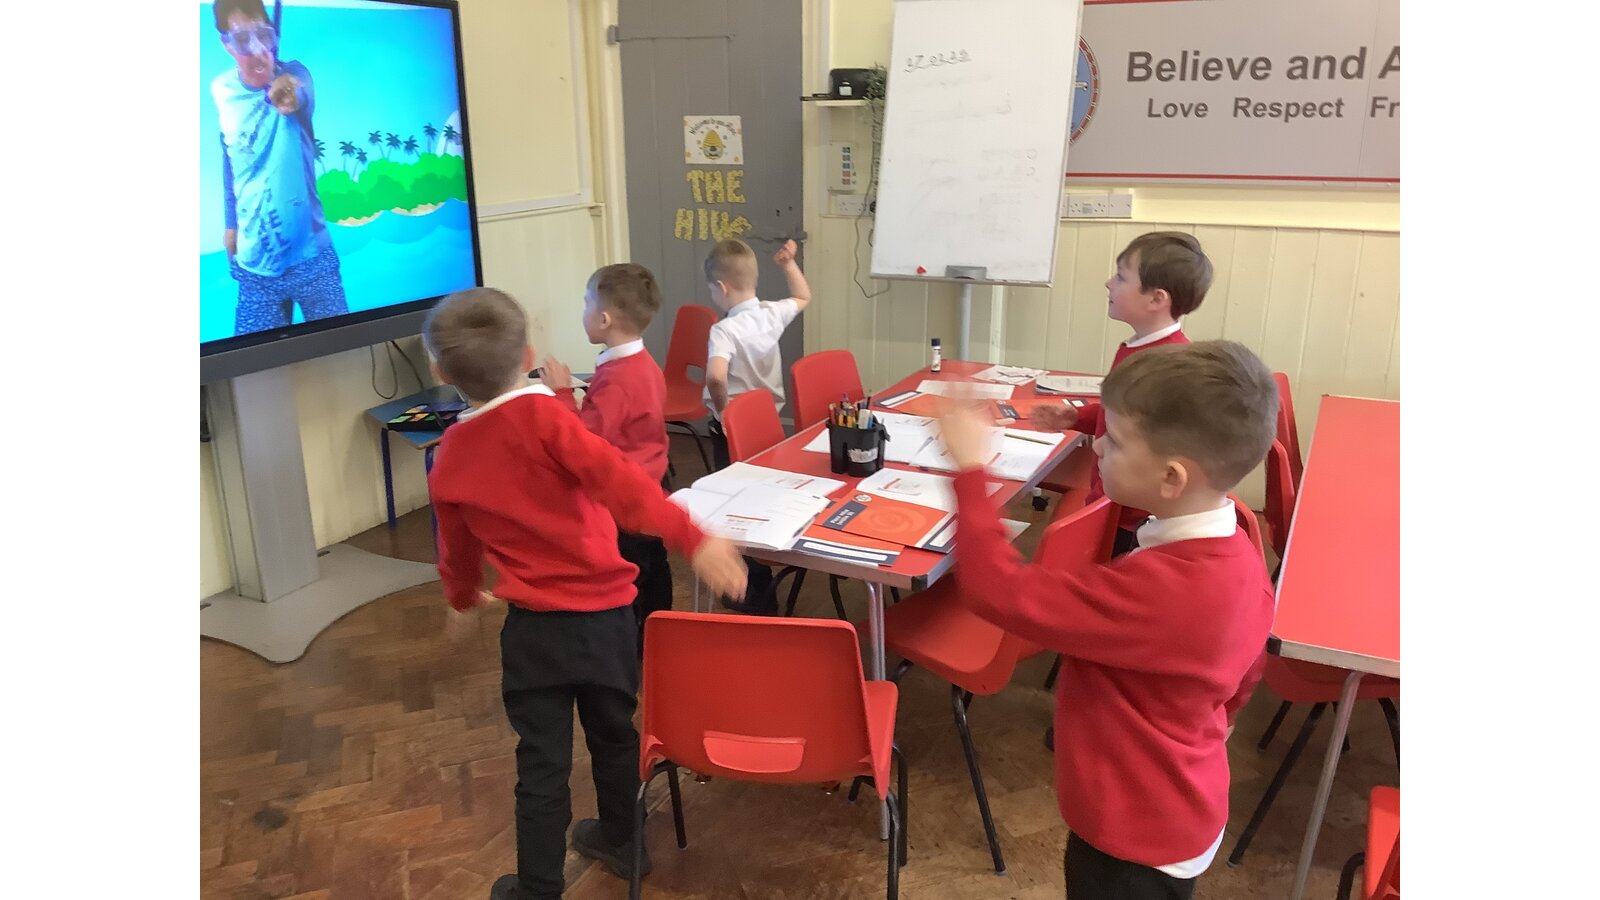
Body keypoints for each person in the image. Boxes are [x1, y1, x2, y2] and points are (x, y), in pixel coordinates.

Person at [422, 287, 746, 900]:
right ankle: (624, 841)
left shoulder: (451, 457)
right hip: (605, 620)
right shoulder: (551, 419)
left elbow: (457, 552)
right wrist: (692, 537)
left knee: (541, 763)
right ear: (529, 356)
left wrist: (461, 599)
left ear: (441, 372)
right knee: (614, 735)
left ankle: (539, 887)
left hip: (535, 632)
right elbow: (624, 486)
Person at [937, 340, 1278, 900]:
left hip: (1133, 835)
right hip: (1182, 802)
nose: (1097, 444)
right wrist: (1224, 717)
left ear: (1171, 477)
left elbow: (996, 589)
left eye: (1115, 440)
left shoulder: (1165, 591)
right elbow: (1250, 663)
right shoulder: (1239, 537)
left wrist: (971, 471)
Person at [1033, 231, 1211, 556]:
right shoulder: (1140, 349)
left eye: (1121, 277)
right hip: (1112, 501)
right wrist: (1076, 416)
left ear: (1156, 299)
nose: (1108, 283)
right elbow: (1123, 416)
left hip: (1126, 517)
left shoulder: (1163, 364)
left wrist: (1110, 510)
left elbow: (1147, 448)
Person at [542, 264, 674, 657]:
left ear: (603, 319)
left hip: (623, 499)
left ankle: (630, 652)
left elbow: (583, 444)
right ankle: (660, 640)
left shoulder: (617, 378)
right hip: (651, 484)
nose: (582, 310)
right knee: (653, 568)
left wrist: (562, 394)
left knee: (632, 577)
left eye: (586, 303)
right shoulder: (641, 363)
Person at [210, 0, 348, 335]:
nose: (258, 49)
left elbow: (300, 92)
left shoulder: (296, 75)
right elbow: (231, 159)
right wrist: (231, 224)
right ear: (226, 45)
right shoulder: (222, 91)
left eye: (263, 35)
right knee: (250, 360)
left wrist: (291, 95)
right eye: (243, 39)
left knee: (345, 346)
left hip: (313, 258)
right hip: (255, 267)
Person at [700, 237, 812, 613]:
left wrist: (723, 412)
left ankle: (747, 592)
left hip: (732, 432)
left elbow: (716, 376)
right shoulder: (770, 313)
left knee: (730, 509)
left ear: (721, 288)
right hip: (766, 427)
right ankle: (762, 581)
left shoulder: (724, 330)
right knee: (759, 501)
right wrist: (788, 264)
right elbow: (804, 296)